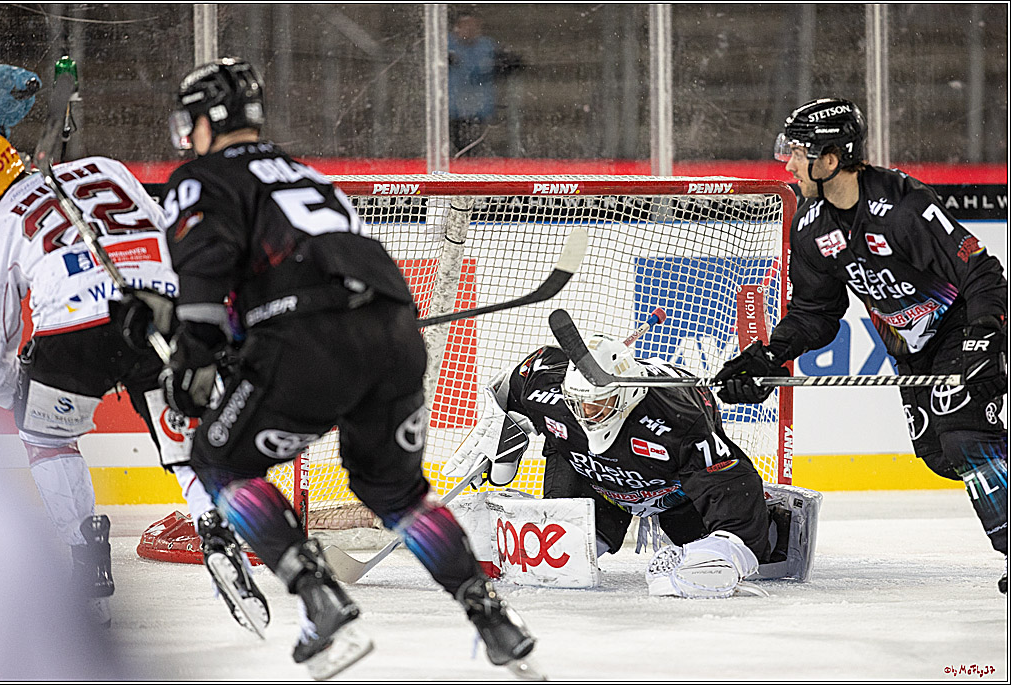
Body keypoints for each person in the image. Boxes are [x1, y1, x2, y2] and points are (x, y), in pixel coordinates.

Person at [149, 57, 538, 680]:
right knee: (396, 492)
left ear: (208, 119)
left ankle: (318, 598)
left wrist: (192, 362)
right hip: (394, 335)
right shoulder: (306, 174)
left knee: (220, 462)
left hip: (306, 339)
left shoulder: (201, 177)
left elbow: (203, 284)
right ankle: (493, 618)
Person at [711, 97, 1008, 594]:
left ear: (830, 159)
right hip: (911, 350)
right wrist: (767, 357)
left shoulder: (904, 206)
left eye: (798, 151)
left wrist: (982, 336)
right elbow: (814, 315)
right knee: (939, 454)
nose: (787, 162)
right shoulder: (811, 228)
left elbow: (980, 271)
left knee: (965, 437)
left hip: (962, 330)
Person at [0, 128, 268, 631]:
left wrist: (19, 393)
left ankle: (86, 560)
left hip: (71, 333)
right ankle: (217, 529)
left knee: (47, 438)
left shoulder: (3, 220)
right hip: (157, 312)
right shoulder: (105, 166)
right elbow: (169, 241)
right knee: (186, 439)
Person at [443, 332, 814, 598]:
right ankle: (595, 528)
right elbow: (516, 379)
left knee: (731, 559)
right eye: (579, 403)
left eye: (598, 404)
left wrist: (735, 545)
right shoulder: (551, 386)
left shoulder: (677, 420)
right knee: (555, 566)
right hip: (592, 480)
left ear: (624, 394)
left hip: (674, 495)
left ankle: (752, 531)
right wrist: (503, 424)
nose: (586, 414)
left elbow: (732, 476)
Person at [447, 12, 520, 156]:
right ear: (457, 27)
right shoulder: (445, 46)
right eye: (465, 25)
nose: (470, 29)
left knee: (476, 150)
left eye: (474, 25)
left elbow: (509, 65)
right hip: (452, 110)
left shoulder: (487, 46)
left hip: (479, 110)